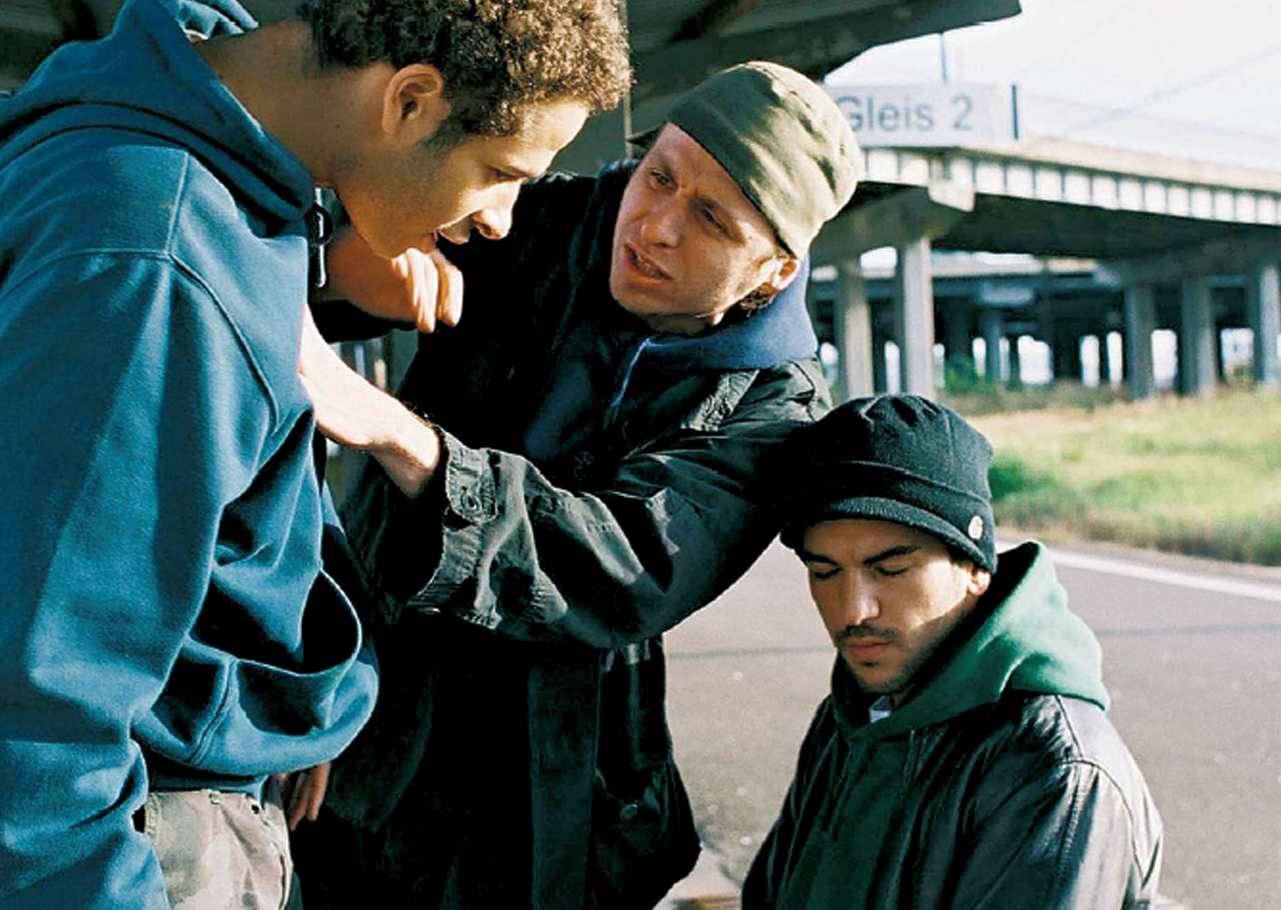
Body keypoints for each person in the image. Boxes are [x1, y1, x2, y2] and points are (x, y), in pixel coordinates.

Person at [0, 0, 628, 910]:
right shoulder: (148, 263)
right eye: (499, 170)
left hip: (170, 784)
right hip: (120, 833)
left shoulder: (211, 170)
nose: (500, 220)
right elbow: (33, 709)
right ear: (407, 100)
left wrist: (271, 703)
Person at [290, 61, 863, 909]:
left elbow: (625, 569)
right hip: (364, 712)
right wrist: (347, 269)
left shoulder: (774, 408)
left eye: (711, 218)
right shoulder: (544, 217)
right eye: (659, 176)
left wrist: (396, 435)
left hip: (551, 790)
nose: (657, 227)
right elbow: (321, 264)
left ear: (775, 271)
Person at [744, 395, 1164, 910]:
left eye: (891, 568)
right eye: (824, 572)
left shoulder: (1053, 767)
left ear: (974, 568)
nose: (853, 610)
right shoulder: (851, 718)